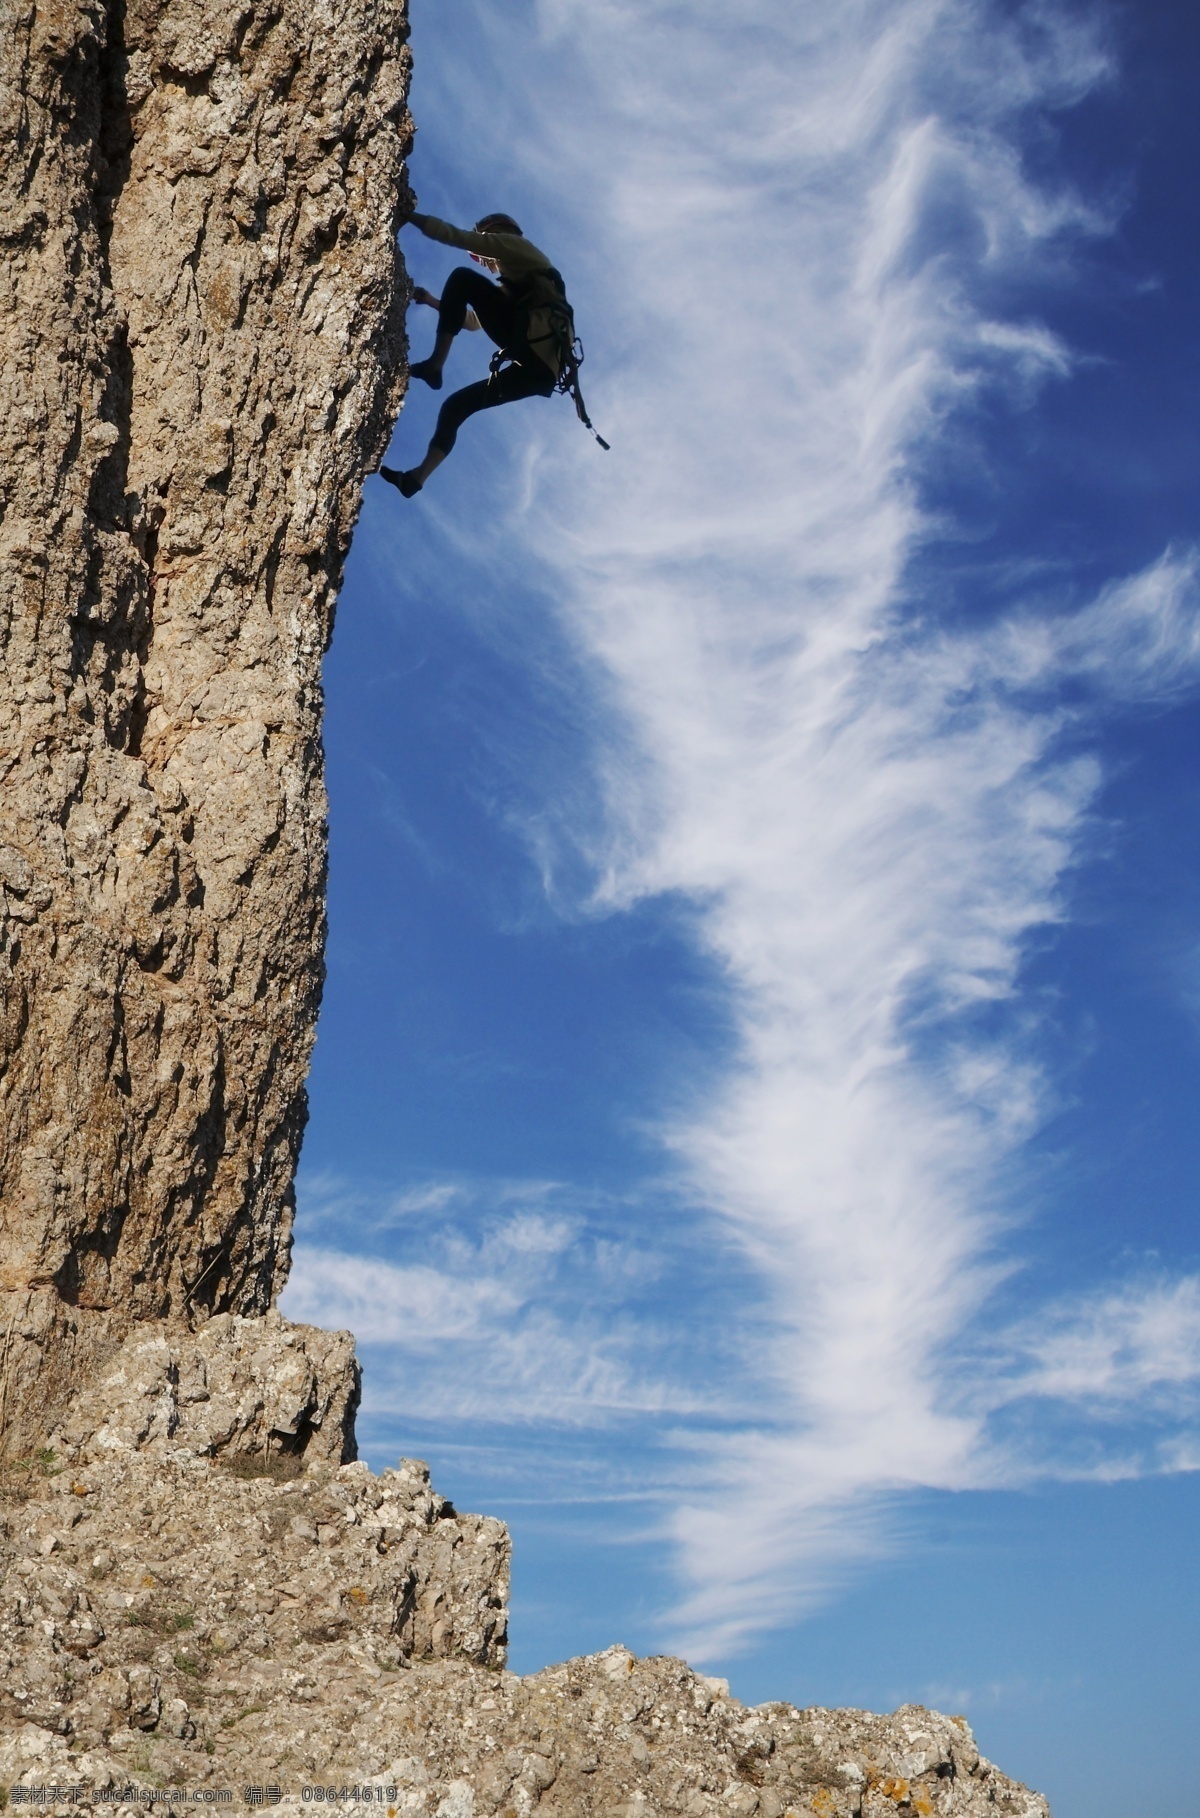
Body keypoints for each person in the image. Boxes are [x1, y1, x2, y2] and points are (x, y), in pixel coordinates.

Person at [379, 210, 571, 498]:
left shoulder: (514, 247)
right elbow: (471, 322)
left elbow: (454, 236)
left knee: (462, 278)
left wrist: (408, 214)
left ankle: (435, 365)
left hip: (531, 345)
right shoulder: (521, 280)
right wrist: (432, 301)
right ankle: (416, 479)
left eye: (480, 252)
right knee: (456, 407)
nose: (481, 260)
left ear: (495, 232)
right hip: (541, 370)